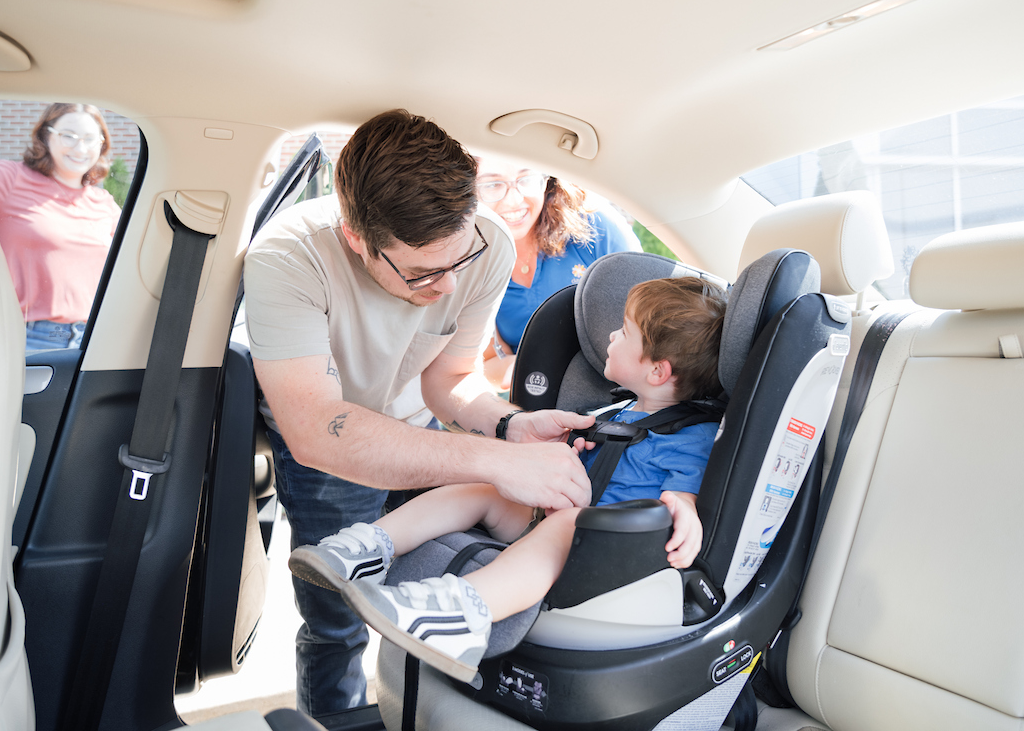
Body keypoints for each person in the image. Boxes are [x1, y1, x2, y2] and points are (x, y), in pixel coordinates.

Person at [242, 110, 596, 714]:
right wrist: (491, 459)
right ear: (357, 237)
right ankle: (332, 717)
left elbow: (451, 380)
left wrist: (507, 425)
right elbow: (316, 429)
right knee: (338, 621)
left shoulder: (487, 245)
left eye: (459, 260)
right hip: (333, 449)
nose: (449, 288)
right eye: (424, 272)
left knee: (419, 602)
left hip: (424, 427)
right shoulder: (287, 259)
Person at [288, 275, 727, 683]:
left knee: (567, 524)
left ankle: (462, 613)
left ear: (657, 371)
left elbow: (685, 495)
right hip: (564, 517)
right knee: (485, 484)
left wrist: (684, 508)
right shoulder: (619, 411)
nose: (611, 336)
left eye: (625, 333)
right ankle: (368, 548)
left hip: (607, 551)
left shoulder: (693, 436)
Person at [0, 103, 120, 351]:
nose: (80, 147)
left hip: (93, 341)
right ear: (46, 135)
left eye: (90, 138)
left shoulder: (104, 203)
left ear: (102, 144)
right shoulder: (7, 179)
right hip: (28, 339)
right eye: (69, 136)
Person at [476, 156, 640, 391]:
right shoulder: (467, 257)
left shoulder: (596, 227)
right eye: (492, 184)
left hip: (619, 388)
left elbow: (649, 318)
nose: (513, 200)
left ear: (547, 180)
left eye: (527, 179)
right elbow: (488, 363)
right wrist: (535, 372)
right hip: (535, 393)